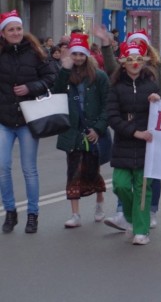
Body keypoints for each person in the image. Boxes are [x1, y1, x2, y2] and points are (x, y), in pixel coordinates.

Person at [93, 26, 161, 230]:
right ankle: (124, 212)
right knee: (124, 177)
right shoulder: (122, 75)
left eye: (141, 47)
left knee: (149, 175)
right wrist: (106, 44)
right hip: (129, 130)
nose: (135, 60)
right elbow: (114, 68)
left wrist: (160, 108)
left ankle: (150, 211)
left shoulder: (160, 67)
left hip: (153, 127)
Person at [0, 10, 56, 234]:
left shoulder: (35, 52)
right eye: (11, 29)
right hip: (4, 119)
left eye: (18, 29)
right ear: (3, 33)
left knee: (29, 169)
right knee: (3, 167)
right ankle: (10, 211)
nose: (16, 32)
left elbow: (51, 77)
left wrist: (30, 88)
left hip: (27, 119)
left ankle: (33, 214)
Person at [53, 33, 109, 228]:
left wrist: (98, 129)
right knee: (73, 172)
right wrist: (64, 70)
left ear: (87, 55)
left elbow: (107, 105)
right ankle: (75, 214)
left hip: (92, 131)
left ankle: (100, 203)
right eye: (74, 54)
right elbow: (56, 93)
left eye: (81, 54)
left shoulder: (99, 76)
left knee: (93, 171)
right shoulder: (67, 75)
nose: (77, 58)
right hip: (72, 132)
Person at [107, 41, 160, 245]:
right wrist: (135, 132)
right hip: (124, 144)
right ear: (123, 63)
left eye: (138, 59)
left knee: (143, 189)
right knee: (120, 185)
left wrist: (158, 99)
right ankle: (131, 216)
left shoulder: (151, 84)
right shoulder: (116, 87)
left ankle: (141, 230)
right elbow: (112, 117)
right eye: (130, 60)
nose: (135, 63)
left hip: (147, 146)